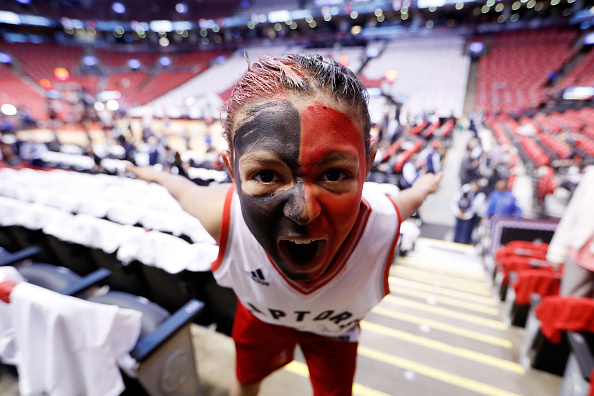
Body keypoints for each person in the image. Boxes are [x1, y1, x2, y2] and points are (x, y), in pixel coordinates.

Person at [126, 54, 442, 396]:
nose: (303, 212)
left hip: (327, 330)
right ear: (231, 172)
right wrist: (154, 175)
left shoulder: (381, 221)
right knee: (245, 383)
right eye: (266, 175)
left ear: (368, 166)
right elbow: (181, 188)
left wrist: (425, 186)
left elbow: (412, 198)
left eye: (333, 174)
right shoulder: (222, 215)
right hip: (266, 321)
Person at [547, 168, 594, 297]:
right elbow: (572, 215)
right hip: (580, 256)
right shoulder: (591, 177)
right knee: (570, 309)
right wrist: (557, 252)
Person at [451, 179, 485, 245]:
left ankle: (464, 244)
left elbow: (475, 207)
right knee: (457, 231)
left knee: (466, 233)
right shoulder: (466, 192)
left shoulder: (479, 195)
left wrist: (466, 215)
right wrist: (458, 212)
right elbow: (458, 201)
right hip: (459, 214)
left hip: (468, 217)